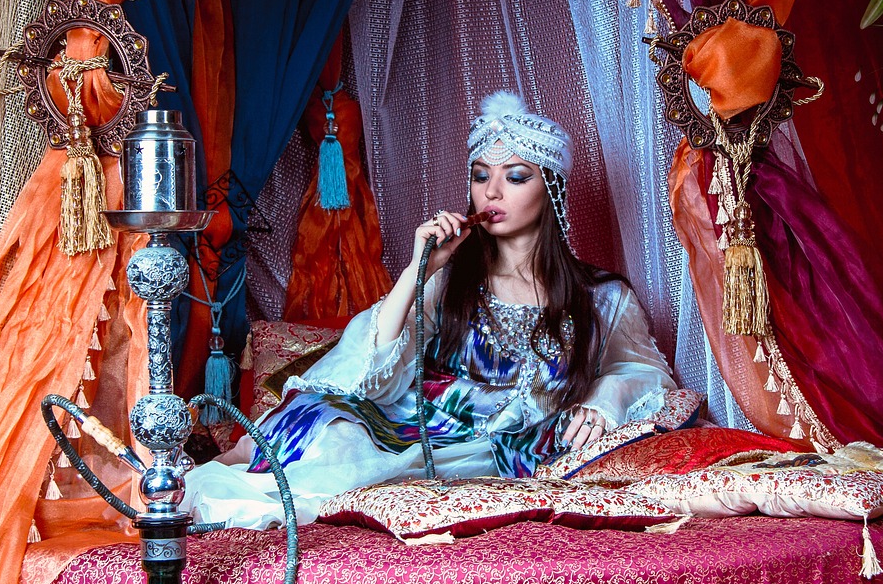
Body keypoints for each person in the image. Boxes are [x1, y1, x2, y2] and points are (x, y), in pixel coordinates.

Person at [186, 92, 683, 527]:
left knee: (349, 464)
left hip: (492, 448)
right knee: (327, 423)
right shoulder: (449, 281)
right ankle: (206, 475)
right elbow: (372, 366)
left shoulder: (601, 297)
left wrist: (604, 398)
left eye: (515, 177)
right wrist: (418, 270)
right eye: (480, 176)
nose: (492, 191)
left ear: (550, 188)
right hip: (413, 424)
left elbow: (643, 371)